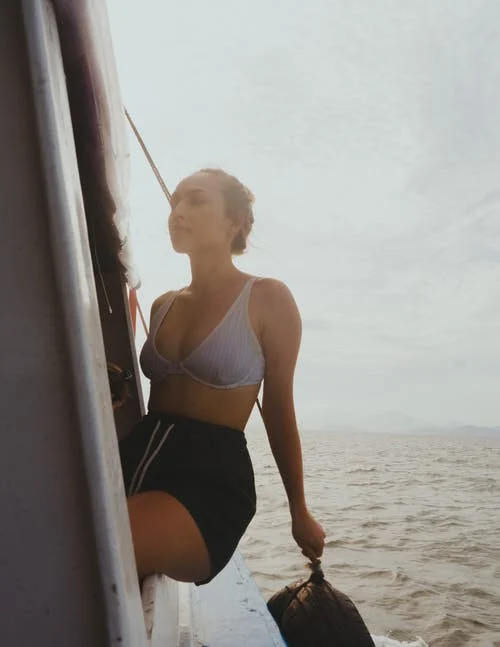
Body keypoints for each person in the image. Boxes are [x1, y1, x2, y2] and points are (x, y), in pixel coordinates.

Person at [119, 168, 325, 585]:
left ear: (235, 223)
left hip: (208, 481)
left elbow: (279, 411)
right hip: (137, 455)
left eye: (195, 200)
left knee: (104, 541)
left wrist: (298, 510)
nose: (177, 211)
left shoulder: (268, 298)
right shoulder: (162, 304)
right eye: (175, 201)